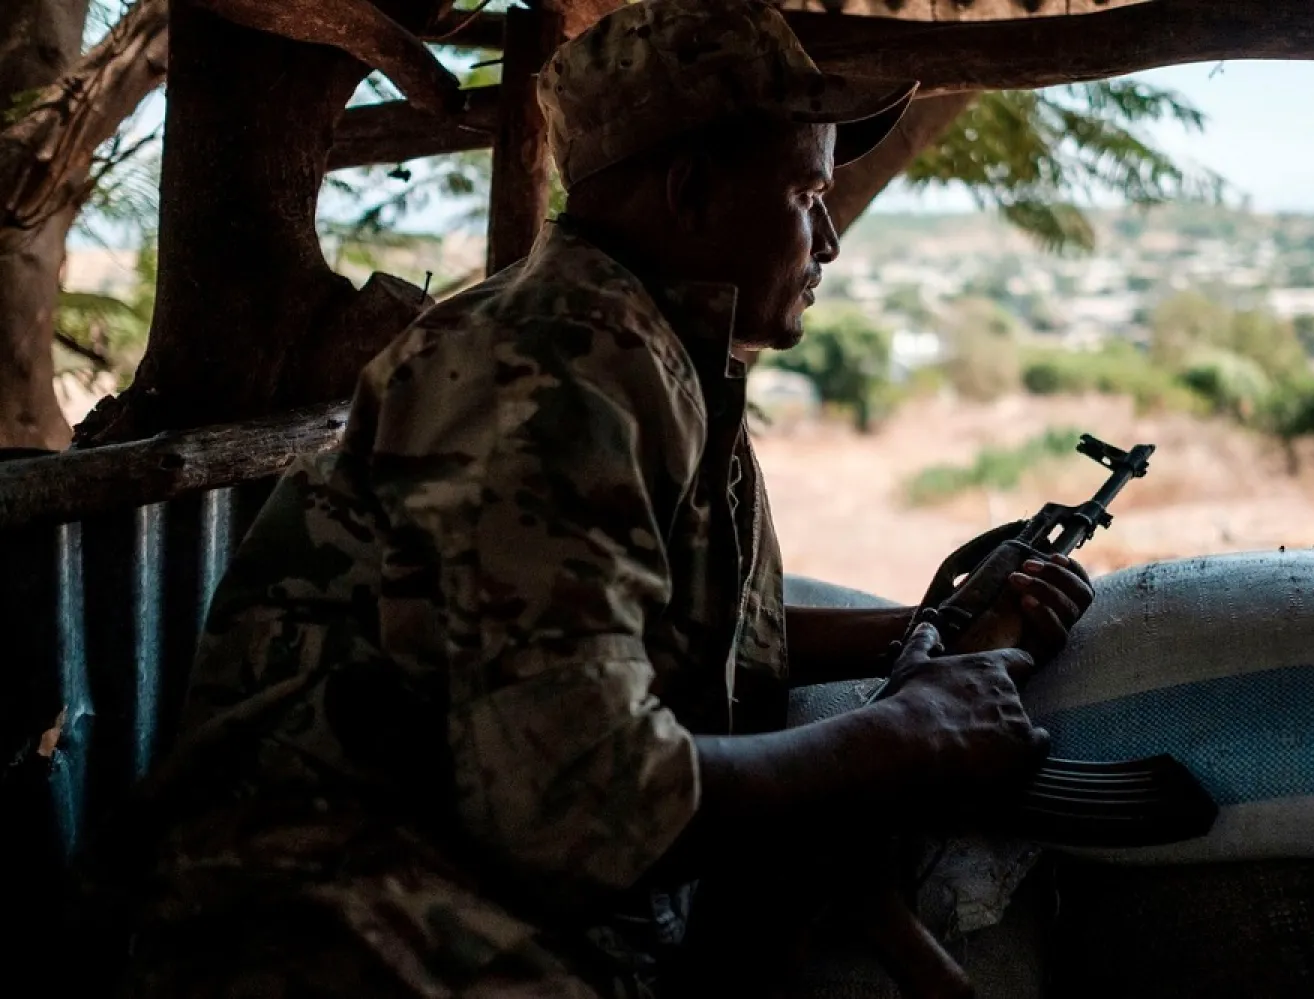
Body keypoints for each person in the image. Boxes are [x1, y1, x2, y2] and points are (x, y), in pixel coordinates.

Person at [114, 1, 1094, 996]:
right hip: (335, 922)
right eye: (806, 193)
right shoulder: (548, 372)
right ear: (689, 191)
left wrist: (926, 628)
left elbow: (674, 634)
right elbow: (581, 800)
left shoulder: (660, 358)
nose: (830, 238)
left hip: (470, 900)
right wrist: (900, 737)